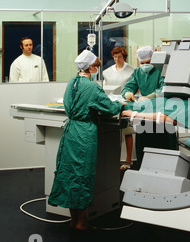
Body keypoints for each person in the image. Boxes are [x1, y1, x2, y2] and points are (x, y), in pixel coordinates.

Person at [48, 50, 126, 231]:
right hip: (84, 133)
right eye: (96, 67)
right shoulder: (92, 87)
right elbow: (108, 107)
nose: (97, 69)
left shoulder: (72, 83)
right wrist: (120, 105)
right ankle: (82, 223)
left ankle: (73, 220)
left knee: (68, 174)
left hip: (70, 132)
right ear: (90, 67)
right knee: (82, 176)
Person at [121, 97, 190, 165]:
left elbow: (162, 117)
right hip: (149, 104)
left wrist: (135, 114)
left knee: (114, 107)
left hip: (144, 111)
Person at [121, 46, 166, 167]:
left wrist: (151, 96)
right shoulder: (137, 72)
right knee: (144, 146)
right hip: (143, 116)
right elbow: (129, 86)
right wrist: (127, 92)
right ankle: (143, 170)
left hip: (160, 114)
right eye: (142, 63)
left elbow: (165, 88)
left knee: (162, 147)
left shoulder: (161, 70)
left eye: (148, 62)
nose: (145, 65)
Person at [103, 46, 135, 170]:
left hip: (126, 104)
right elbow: (105, 89)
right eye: (115, 57)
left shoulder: (132, 71)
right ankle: (111, 159)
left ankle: (128, 161)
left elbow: (135, 87)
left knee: (127, 132)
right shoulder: (107, 72)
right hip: (112, 105)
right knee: (111, 131)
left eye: (119, 57)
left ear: (124, 57)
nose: (117, 59)